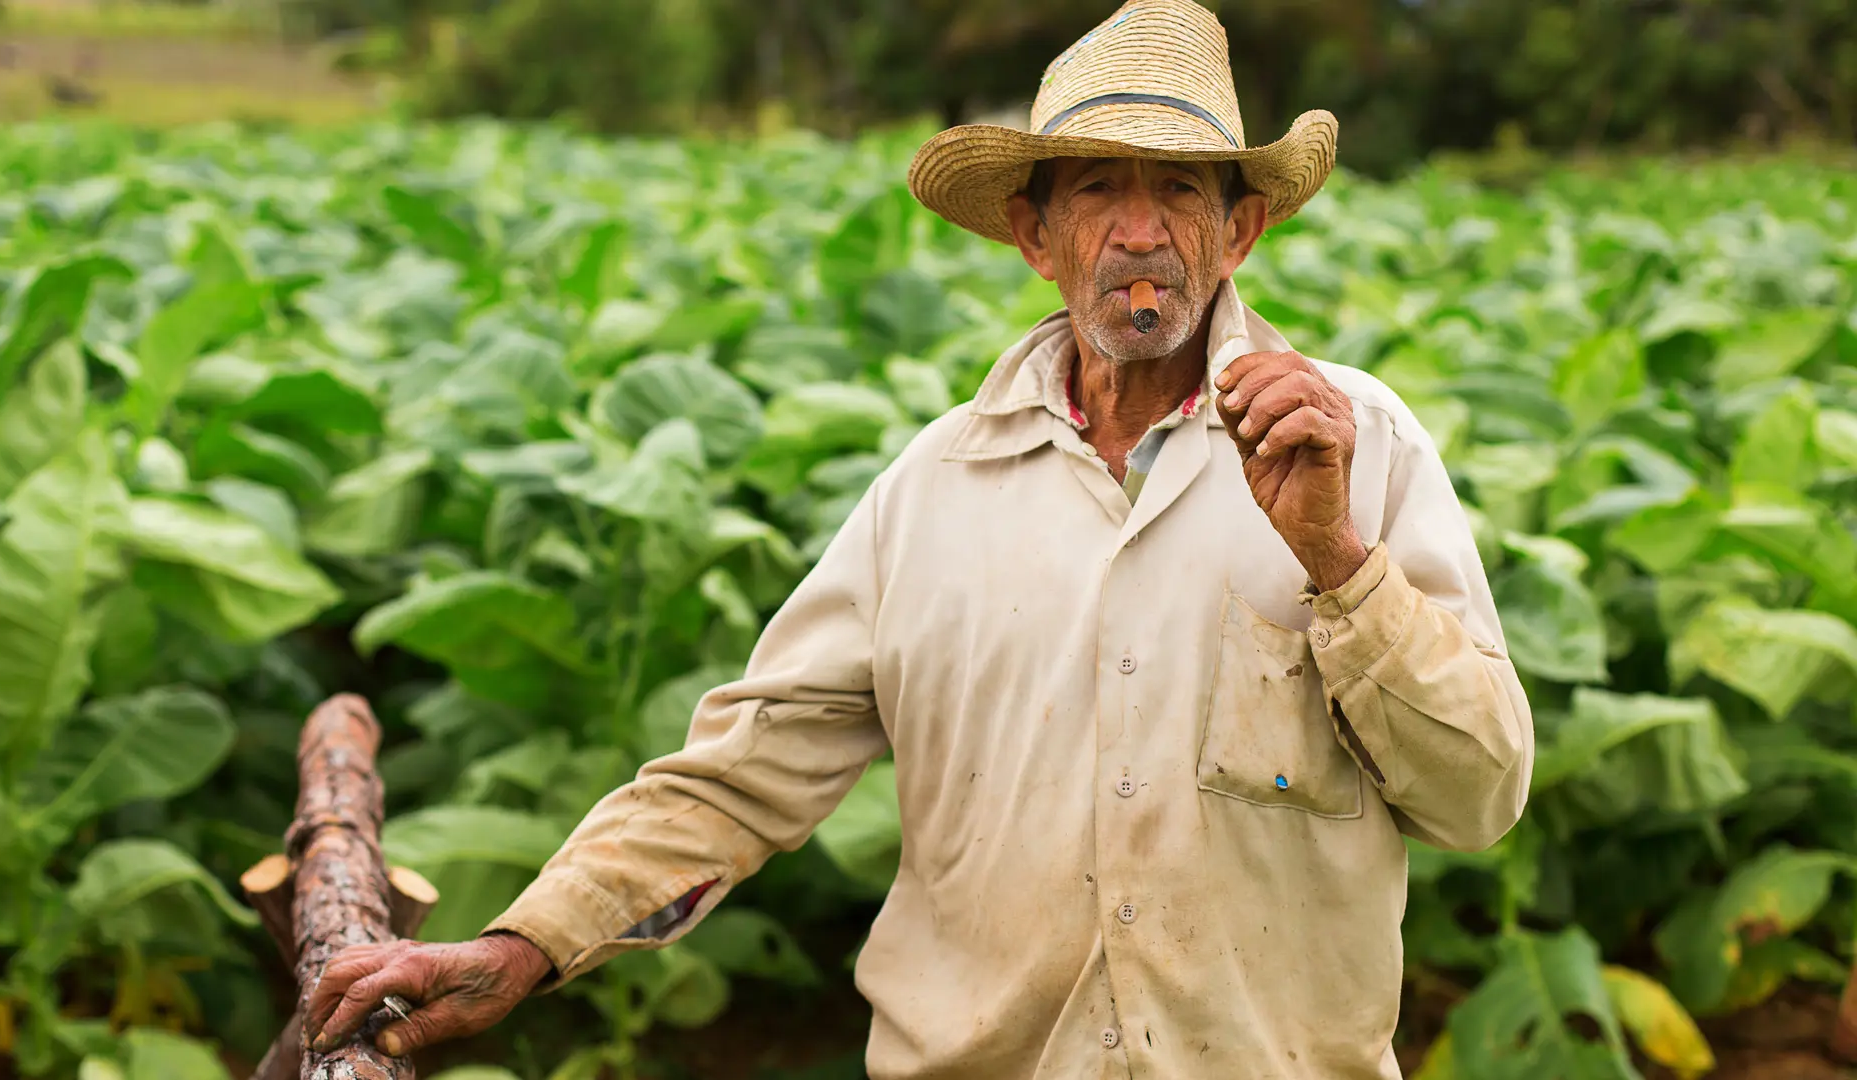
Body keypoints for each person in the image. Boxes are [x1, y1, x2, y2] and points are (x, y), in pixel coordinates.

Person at [306, 1, 1534, 1076]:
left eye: (1178, 190)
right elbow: (748, 769)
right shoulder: (934, 487)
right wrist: (528, 943)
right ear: (1035, 237)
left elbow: (1480, 795)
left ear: (1240, 230)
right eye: (1096, 189)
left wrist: (1337, 564)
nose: (1139, 231)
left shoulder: (1356, 446)